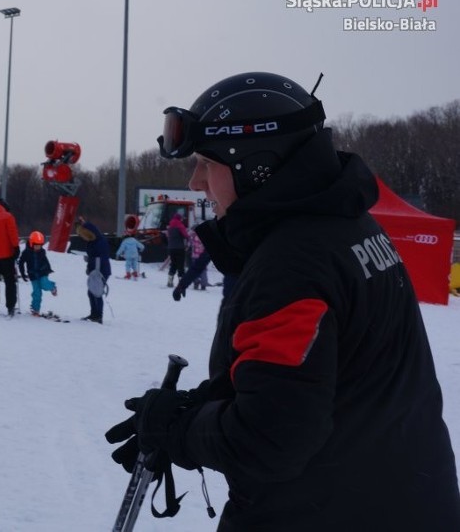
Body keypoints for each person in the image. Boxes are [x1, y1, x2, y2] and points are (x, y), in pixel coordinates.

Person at [107, 71, 460, 531]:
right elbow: (323, 377)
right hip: (398, 497)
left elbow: (271, 438)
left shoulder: (292, 265)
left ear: (257, 166)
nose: (196, 183)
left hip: (327, 512)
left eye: (206, 164)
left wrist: (180, 431)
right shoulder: (347, 224)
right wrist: (197, 408)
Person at [76, 216, 111, 323]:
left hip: (101, 271)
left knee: (97, 292)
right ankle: (94, 314)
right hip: (95, 270)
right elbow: (93, 257)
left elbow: (98, 259)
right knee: (91, 292)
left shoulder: (99, 242)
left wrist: (93, 270)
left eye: (84, 236)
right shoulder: (92, 241)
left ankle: (98, 316)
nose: (83, 238)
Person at [17, 231, 58, 316]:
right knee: (37, 292)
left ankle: (53, 287)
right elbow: (21, 262)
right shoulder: (26, 252)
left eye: (40, 246)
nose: (38, 248)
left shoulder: (42, 252)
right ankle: (35, 309)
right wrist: (23, 274)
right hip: (33, 275)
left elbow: (46, 262)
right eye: (36, 246)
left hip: (42, 272)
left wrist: (48, 269)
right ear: (31, 244)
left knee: (44, 284)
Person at [165, 213, 188, 287]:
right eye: (181, 218)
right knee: (180, 265)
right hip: (179, 248)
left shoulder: (170, 227)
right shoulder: (180, 226)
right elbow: (185, 235)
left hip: (171, 248)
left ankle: (170, 281)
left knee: (173, 264)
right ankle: (181, 283)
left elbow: (168, 236)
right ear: (179, 218)